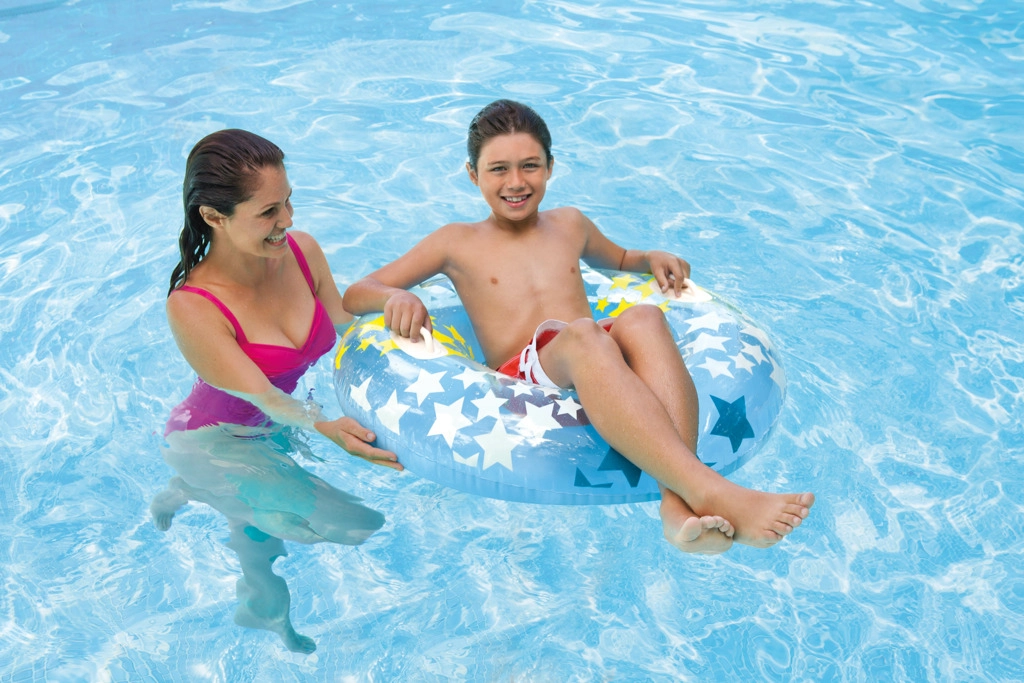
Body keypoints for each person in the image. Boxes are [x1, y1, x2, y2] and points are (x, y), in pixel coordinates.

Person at [343, 100, 814, 554]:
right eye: (498, 169)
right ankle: (711, 488)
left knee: (644, 317)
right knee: (585, 333)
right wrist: (394, 296)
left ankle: (676, 507)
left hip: (589, 356)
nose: (516, 182)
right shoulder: (455, 242)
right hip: (522, 378)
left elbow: (621, 259)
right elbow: (357, 292)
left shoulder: (569, 224)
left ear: (550, 167)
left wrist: (651, 258)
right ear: (473, 174)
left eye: (530, 166)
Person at [154, 129, 399, 652]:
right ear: (213, 216)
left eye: (289, 201)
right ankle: (196, 483)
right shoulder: (192, 306)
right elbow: (265, 397)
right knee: (357, 525)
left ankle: (249, 579)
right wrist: (327, 427)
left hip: (281, 421)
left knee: (271, 533)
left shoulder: (302, 252)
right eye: (268, 212)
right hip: (216, 440)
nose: (287, 220)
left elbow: (347, 331)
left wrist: (401, 316)